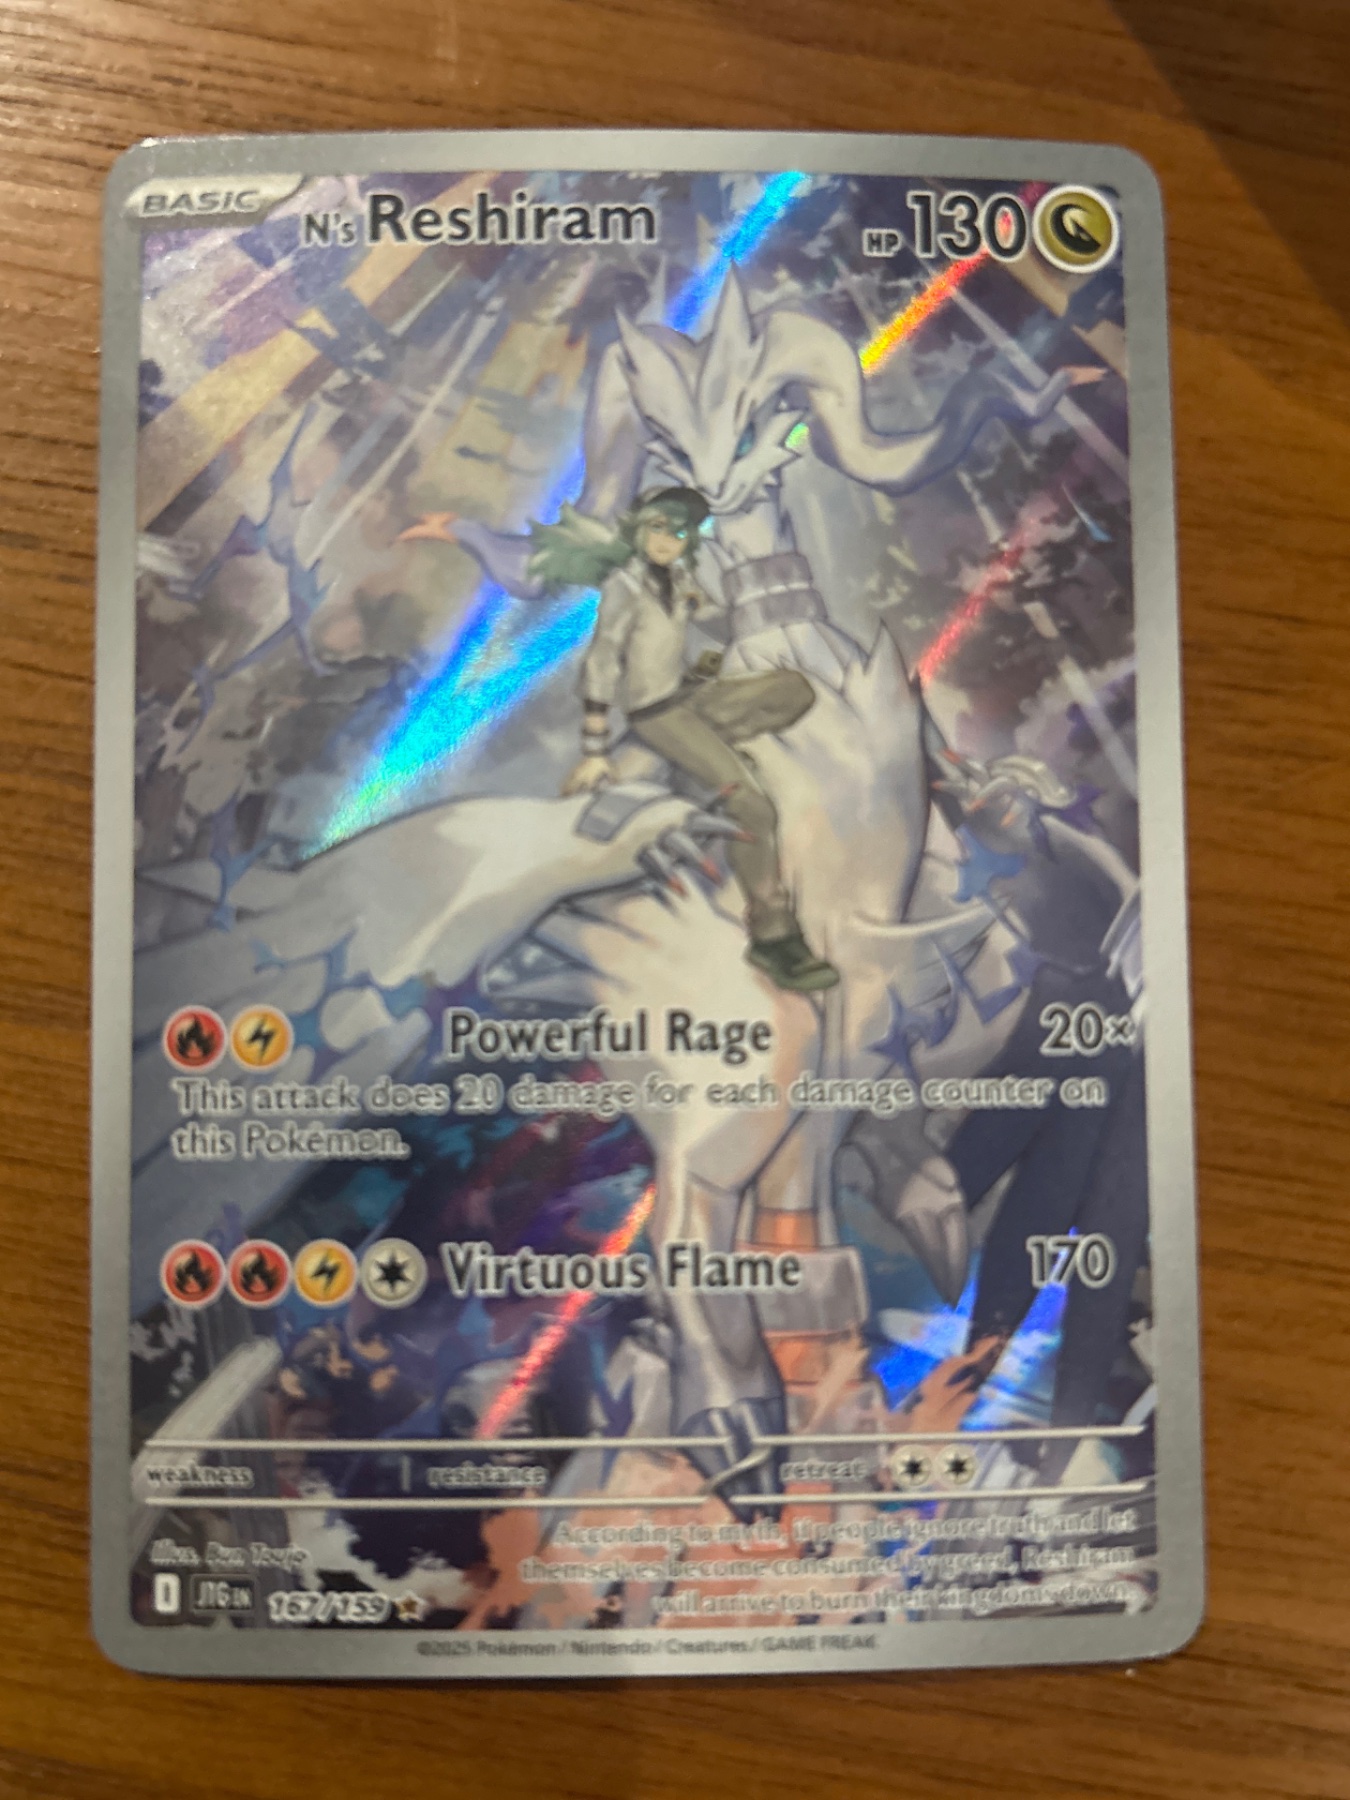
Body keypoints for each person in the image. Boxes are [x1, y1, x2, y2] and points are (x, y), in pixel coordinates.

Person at [531, 486, 838, 994]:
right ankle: (773, 934)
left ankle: (705, 757)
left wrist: (722, 611)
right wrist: (594, 750)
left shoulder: (678, 579)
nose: (666, 540)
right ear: (639, 531)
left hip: (689, 697)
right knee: (754, 807)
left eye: (678, 532)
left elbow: (720, 625)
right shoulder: (625, 587)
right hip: (655, 713)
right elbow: (603, 661)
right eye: (658, 527)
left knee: (793, 690)